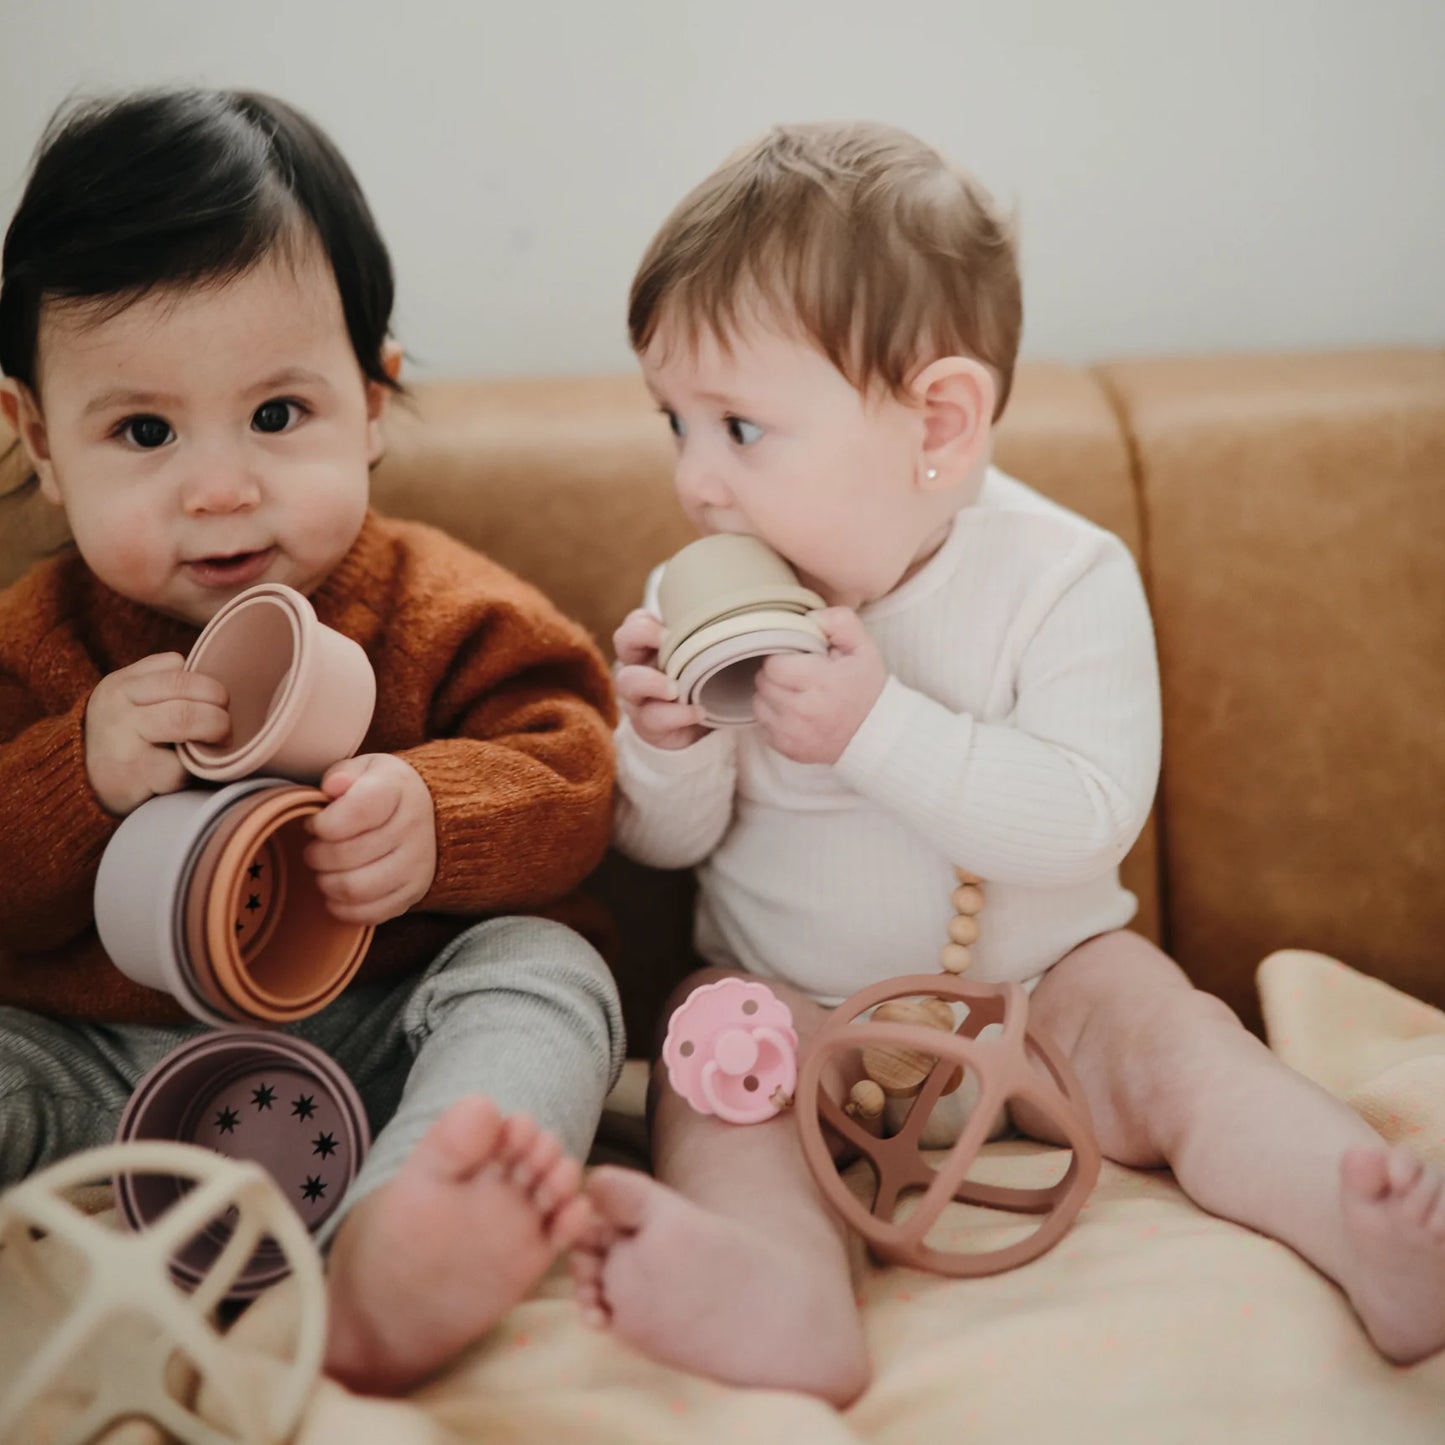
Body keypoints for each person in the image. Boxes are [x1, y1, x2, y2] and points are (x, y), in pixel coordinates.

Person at [569, 120, 1445, 1404]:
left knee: (1183, 1044)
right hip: (791, 1000)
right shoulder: (703, 588)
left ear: (939, 417)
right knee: (709, 1061)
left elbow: (1083, 822)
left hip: (1047, 985)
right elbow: (664, 845)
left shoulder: (1061, 575)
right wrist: (661, 743)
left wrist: (876, 730)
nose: (696, 479)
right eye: (674, 422)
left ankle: (1361, 1220)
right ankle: (782, 1289)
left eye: (741, 428)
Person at [0, 88, 625, 1395]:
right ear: (36, 441)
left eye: (277, 416)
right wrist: (78, 774)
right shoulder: (34, 646)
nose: (220, 485)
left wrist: (432, 815)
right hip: (88, 1079)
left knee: (545, 971)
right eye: (145, 431)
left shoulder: (434, 607)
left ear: (374, 399)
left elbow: (577, 767)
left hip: (376, 1048)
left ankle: (409, 1227)